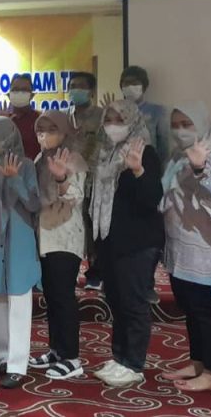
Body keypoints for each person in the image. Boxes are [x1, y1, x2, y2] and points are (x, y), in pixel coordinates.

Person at [157, 102, 211, 393]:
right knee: (190, 308)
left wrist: (201, 170)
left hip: (205, 248)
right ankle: (198, 362)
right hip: (181, 247)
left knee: (207, 311)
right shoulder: (178, 156)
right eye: (175, 125)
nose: (180, 131)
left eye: (186, 124)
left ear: (201, 124)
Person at [89, 99, 163, 387]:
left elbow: (151, 198)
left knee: (133, 303)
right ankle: (119, 357)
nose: (113, 125)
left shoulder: (145, 152)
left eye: (120, 119)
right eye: (108, 119)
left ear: (132, 121)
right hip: (111, 240)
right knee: (116, 301)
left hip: (138, 242)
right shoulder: (104, 153)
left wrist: (137, 170)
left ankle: (133, 363)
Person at [0, 117, 41, 389]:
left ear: (7, 138)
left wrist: (15, 179)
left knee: (18, 302)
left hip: (19, 241)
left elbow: (34, 203)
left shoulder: (26, 165)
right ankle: (2, 357)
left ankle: (17, 365)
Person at [27, 110, 88, 380]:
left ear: (64, 131)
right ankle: (56, 350)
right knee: (52, 297)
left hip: (65, 236)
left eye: (52, 130)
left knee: (63, 298)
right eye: (41, 130)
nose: (45, 135)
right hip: (45, 236)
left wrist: (62, 178)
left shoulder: (74, 158)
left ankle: (72, 358)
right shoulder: (40, 159)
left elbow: (76, 196)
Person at [66, 72, 105, 291]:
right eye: (72, 86)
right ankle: (70, 271)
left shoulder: (101, 116)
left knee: (91, 227)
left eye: (80, 86)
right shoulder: (65, 117)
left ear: (91, 91)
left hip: (93, 179)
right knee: (72, 226)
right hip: (69, 180)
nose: (75, 90)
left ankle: (95, 273)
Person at [117, 66, 169, 159]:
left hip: (149, 163)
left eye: (135, 83)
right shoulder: (115, 112)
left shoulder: (157, 111)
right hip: (121, 164)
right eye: (127, 83)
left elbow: (163, 147)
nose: (130, 86)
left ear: (144, 87)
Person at [0, 74, 41, 160]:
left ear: (32, 95)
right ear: (9, 94)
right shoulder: (1, 119)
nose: (20, 93)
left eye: (24, 90)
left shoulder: (40, 119)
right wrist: (1, 126)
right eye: (15, 90)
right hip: (7, 167)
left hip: (34, 167)